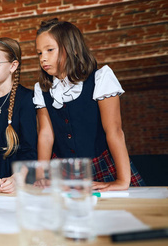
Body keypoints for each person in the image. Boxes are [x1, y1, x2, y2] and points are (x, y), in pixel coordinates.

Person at [33, 18, 145, 191]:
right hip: (62, 172)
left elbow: (114, 130)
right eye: (39, 53)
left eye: (49, 50)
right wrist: (40, 175)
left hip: (101, 165)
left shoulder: (100, 79)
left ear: (74, 49)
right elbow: (46, 134)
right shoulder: (42, 89)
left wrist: (122, 180)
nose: (43, 58)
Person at [0, 38, 38, 193]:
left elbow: (31, 149)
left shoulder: (27, 99)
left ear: (13, 66)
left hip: (22, 180)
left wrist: (17, 177)